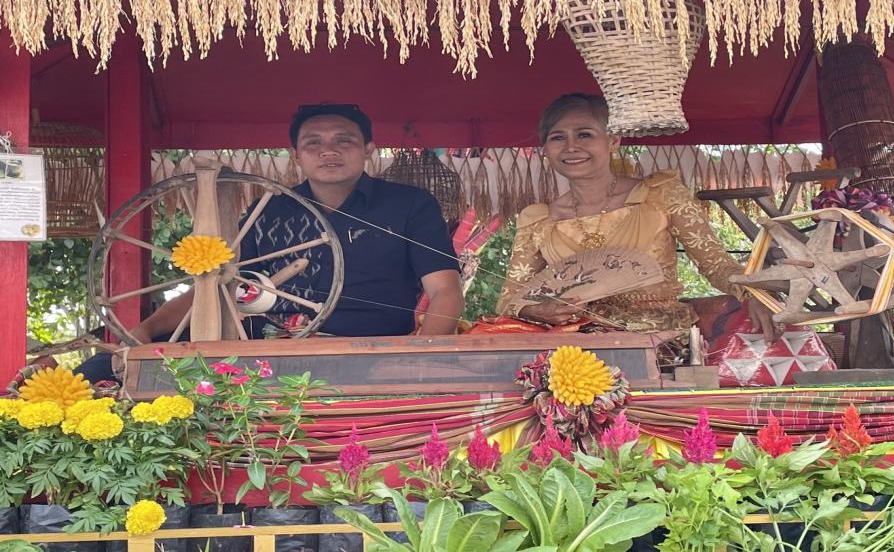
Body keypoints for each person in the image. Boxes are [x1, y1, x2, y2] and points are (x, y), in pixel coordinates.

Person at [75, 103, 464, 382]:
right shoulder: (269, 210)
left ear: (368, 150)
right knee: (98, 372)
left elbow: (445, 291)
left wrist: (420, 357)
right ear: (296, 156)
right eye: (313, 143)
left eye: (344, 141)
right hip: (271, 355)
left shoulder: (409, 205)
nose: (328, 151)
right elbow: (219, 284)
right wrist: (144, 332)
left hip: (371, 355)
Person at [494, 93, 777, 341]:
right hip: (576, 354)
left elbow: (716, 265)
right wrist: (535, 310)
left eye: (584, 134)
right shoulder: (539, 221)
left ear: (613, 140)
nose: (571, 147)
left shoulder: (660, 196)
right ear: (545, 149)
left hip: (664, 345)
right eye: (558, 138)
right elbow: (509, 300)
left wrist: (754, 294)